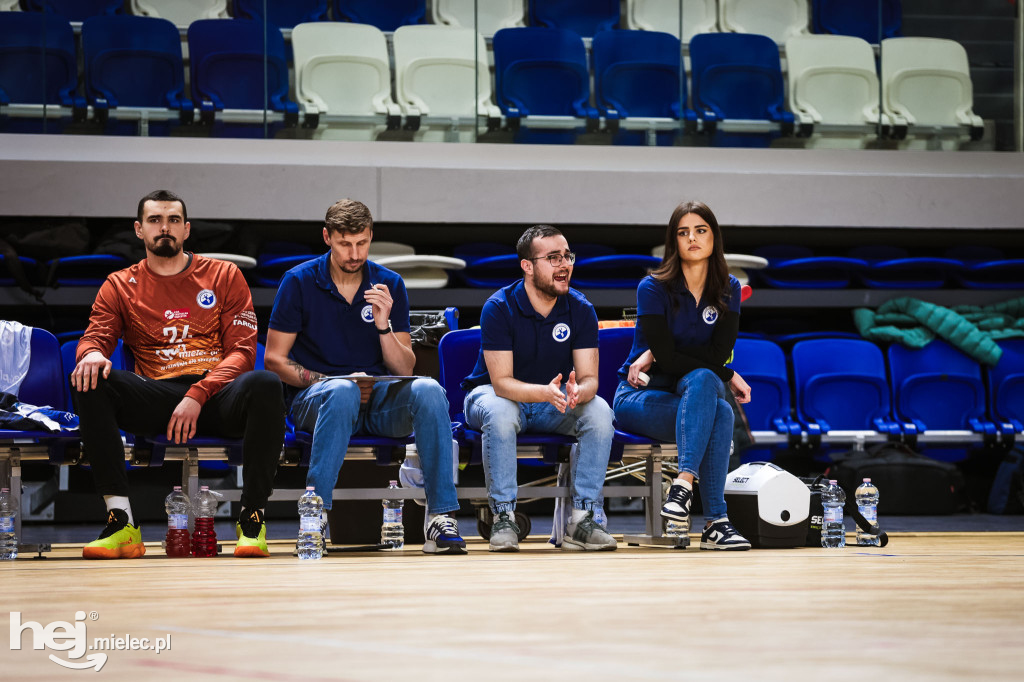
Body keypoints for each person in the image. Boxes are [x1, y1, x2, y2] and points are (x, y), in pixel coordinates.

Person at [71, 190, 285, 559]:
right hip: (158, 399)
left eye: (172, 221)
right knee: (90, 379)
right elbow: (96, 336)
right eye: (155, 220)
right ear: (139, 230)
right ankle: (121, 522)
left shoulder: (223, 275)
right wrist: (90, 354)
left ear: (186, 230)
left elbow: (243, 352)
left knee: (265, 382)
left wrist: (198, 393)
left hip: (217, 396)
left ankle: (252, 519)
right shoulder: (120, 284)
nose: (164, 228)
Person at [264, 199, 465, 555]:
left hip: (377, 402)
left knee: (430, 390)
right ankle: (316, 516)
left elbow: (405, 369)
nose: (354, 253)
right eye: (345, 244)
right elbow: (274, 360)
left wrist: (384, 324)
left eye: (361, 243)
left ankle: (439, 516)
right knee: (341, 391)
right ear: (327, 237)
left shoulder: (390, 284)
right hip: (317, 400)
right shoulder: (298, 282)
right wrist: (330, 382)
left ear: (371, 237)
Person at [463, 225, 617, 552]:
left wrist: (581, 392)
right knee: (501, 411)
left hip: (554, 401)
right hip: (492, 395)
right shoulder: (499, 307)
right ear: (527, 266)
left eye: (567, 256)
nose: (564, 265)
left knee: (601, 412)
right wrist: (545, 393)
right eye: (553, 258)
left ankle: (583, 519)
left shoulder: (581, 309)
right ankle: (503, 517)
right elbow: (502, 383)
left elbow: (590, 378)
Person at [613, 200, 753, 550]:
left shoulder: (729, 288)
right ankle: (715, 521)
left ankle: (683, 486)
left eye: (700, 230)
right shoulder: (652, 287)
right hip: (639, 397)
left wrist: (717, 367)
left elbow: (715, 355)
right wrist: (727, 372)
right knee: (712, 393)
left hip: (692, 395)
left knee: (715, 399)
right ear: (673, 241)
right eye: (683, 232)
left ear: (714, 238)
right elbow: (670, 359)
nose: (692, 238)